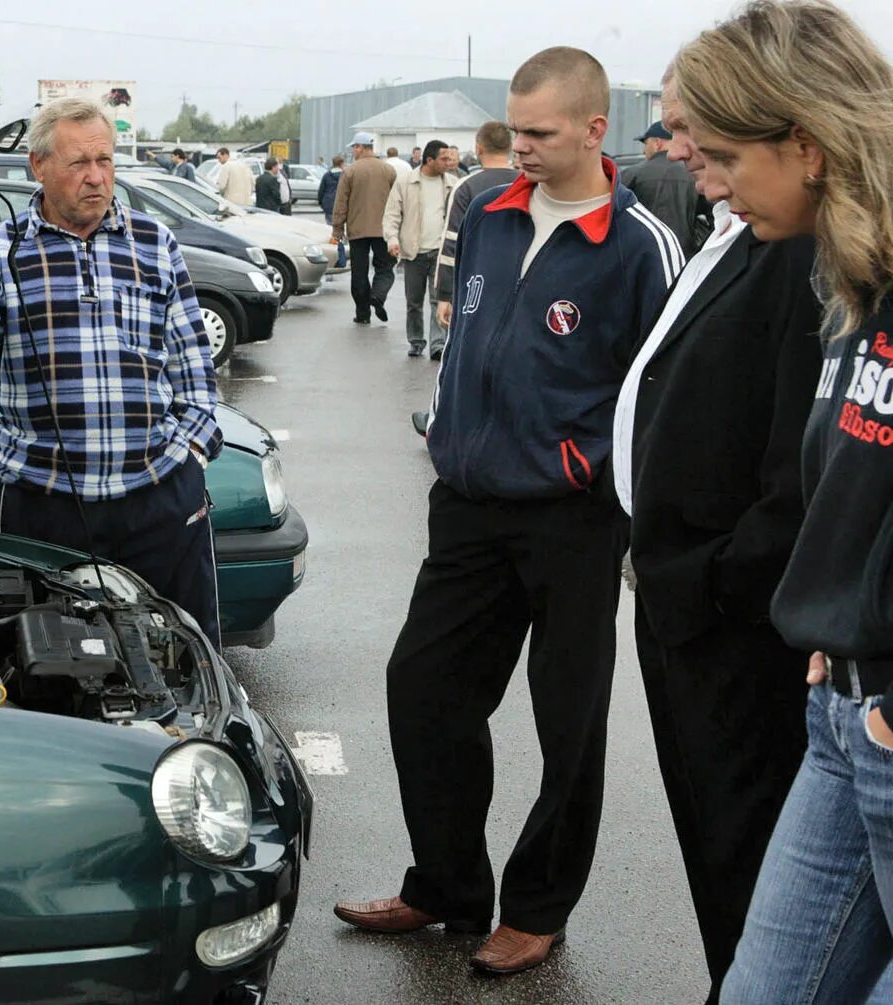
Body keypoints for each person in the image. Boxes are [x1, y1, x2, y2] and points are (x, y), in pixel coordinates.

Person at [334, 46, 680, 976]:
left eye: (539, 133)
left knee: (569, 724)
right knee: (424, 690)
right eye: (514, 130)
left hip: (572, 518)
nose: (518, 148)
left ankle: (536, 907)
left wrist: (588, 466)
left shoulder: (641, 244)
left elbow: (664, 393)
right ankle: (446, 885)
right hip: (470, 506)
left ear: (594, 130)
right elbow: (463, 337)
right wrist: (449, 431)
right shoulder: (484, 210)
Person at [669, 3, 893, 1001]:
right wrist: (835, 609)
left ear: (802, 142)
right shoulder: (854, 282)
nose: (703, 178)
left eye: (719, 153)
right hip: (838, 711)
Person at [0, 97, 224, 645]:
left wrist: (193, 453)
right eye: (79, 164)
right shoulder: (2, 249)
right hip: (47, 508)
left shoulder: (155, 243)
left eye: (105, 161)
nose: (97, 178)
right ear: (39, 166)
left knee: (184, 652)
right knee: (53, 667)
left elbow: (192, 360)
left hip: (159, 497)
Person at [615, 68, 820, 1005]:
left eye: (701, 129)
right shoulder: (740, 230)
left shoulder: (797, 250)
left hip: (731, 618)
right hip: (686, 597)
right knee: (715, 842)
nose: (682, 145)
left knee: (752, 857)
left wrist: (711, 585)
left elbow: (800, 472)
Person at [410, 120, 522, 436]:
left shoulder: (467, 187)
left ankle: (439, 420)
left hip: (475, 286)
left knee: (458, 356)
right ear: (511, 147)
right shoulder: (528, 181)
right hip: (519, 282)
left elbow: (451, 245)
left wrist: (444, 295)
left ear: (479, 148)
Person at [383, 139, 461, 358]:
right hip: (414, 251)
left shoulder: (453, 184)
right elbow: (391, 214)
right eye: (444, 159)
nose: (449, 162)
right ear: (430, 160)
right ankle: (416, 341)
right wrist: (392, 239)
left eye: (450, 158)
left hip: (441, 252)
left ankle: (438, 344)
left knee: (440, 299)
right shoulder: (406, 182)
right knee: (414, 301)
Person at [330, 130, 397, 325]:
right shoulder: (388, 170)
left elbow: (341, 202)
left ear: (360, 147)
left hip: (357, 230)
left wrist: (337, 228)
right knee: (385, 267)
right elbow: (396, 201)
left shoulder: (350, 171)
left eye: (354, 147)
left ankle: (362, 313)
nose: (353, 151)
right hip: (383, 229)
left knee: (359, 271)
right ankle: (378, 295)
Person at [622, 120, 712, 258]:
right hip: (686, 255)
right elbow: (716, 215)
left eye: (646, 144)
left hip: (640, 255)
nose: (643, 150)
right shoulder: (695, 175)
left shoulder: (631, 174)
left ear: (658, 143)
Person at [318, 154, 348, 268]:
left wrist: (322, 203)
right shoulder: (346, 175)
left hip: (329, 205)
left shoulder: (327, 175)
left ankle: (335, 253)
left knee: (331, 229)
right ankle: (343, 253)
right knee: (343, 230)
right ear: (341, 164)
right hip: (343, 205)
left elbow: (321, 190)